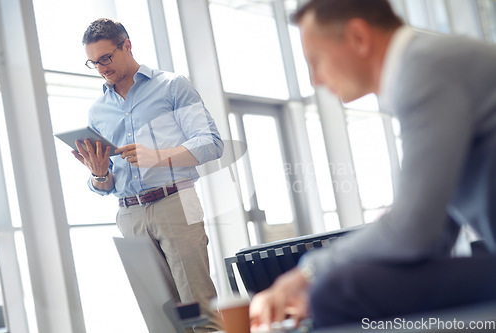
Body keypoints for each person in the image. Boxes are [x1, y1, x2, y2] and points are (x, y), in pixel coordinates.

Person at [250, 0, 496, 329]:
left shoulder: (425, 68)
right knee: (345, 286)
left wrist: (307, 272)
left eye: (316, 61)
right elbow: (435, 234)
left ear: (358, 37)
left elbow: (412, 229)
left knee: (337, 292)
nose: (315, 80)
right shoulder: (432, 63)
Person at [74, 18, 223, 332]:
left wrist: (159, 157)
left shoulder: (171, 85)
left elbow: (211, 142)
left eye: (106, 58)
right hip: (130, 214)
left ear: (126, 45)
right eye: (93, 62)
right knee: (162, 321)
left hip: (176, 202)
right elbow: (105, 184)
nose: (101, 68)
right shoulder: (97, 111)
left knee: (200, 313)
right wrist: (99, 175)